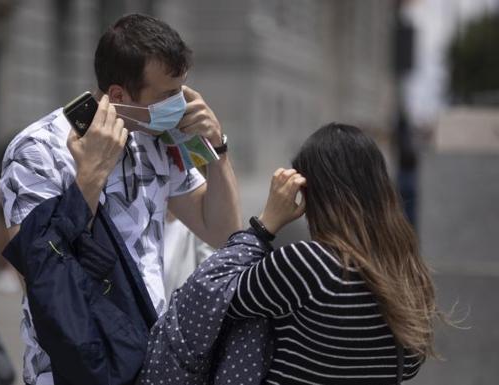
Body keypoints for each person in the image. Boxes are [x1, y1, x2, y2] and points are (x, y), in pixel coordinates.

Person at [0, 13, 241, 385]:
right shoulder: (36, 149)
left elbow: (223, 233)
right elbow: (36, 267)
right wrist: (91, 176)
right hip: (75, 364)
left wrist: (217, 150)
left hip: (153, 361)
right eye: (166, 95)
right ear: (117, 95)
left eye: (182, 90)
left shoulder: (161, 139)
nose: (179, 104)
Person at [139, 123, 437, 385]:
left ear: (311, 193)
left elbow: (206, 297)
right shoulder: (410, 275)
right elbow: (410, 364)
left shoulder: (308, 264)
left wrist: (264, 225)